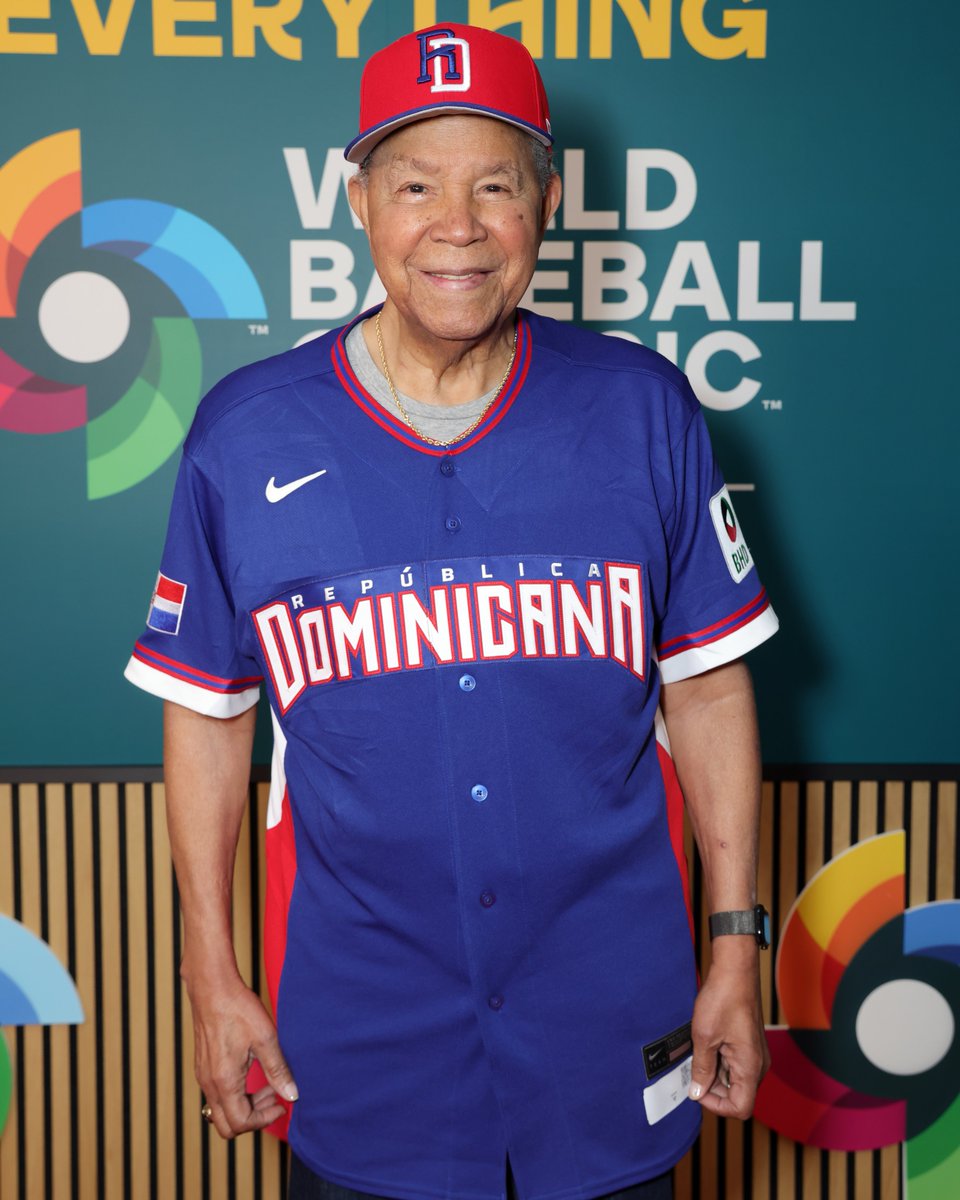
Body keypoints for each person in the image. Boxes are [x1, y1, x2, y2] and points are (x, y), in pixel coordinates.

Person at [125, 22, 778, 1200]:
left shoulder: (642, 410)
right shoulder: (245, 431)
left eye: (494, 185)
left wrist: (739, 944)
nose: (458, 226)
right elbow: (212, 717)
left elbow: (712, 684)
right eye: (417, 184)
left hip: (612, 1021)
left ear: (548, 198)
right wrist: (211, 979)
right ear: (361, 198)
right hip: (365, 1043)